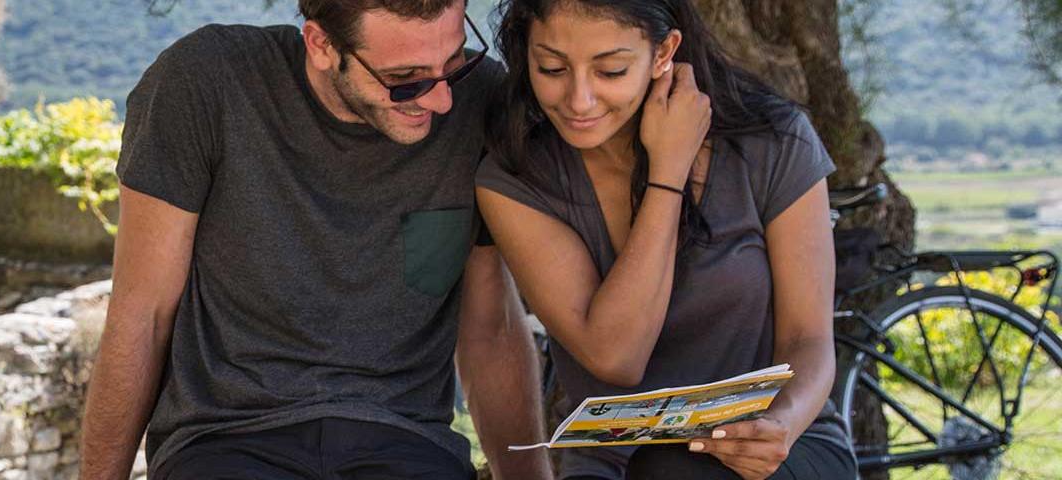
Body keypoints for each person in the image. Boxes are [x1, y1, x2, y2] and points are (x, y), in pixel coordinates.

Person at [78, 1, 555, 479]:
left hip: (406, 444)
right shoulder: (206, 82)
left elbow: (490, 328)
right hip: (227, 440)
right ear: (321, 44)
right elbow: (143, 314)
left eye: (453, 63)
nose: (441, 101)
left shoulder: (481, 100)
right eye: (404, 78)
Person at [474, 0, 855, 478]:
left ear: (663, 52)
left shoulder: (774, 141)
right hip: (612, 464)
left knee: (671, 470)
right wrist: (668, 173)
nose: (579, 100)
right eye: (552, 68)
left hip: (778, 446)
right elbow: (617, 357)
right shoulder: (516, 179)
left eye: (610, 71)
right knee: (662, 467)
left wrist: (779, 424)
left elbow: (808, 338)